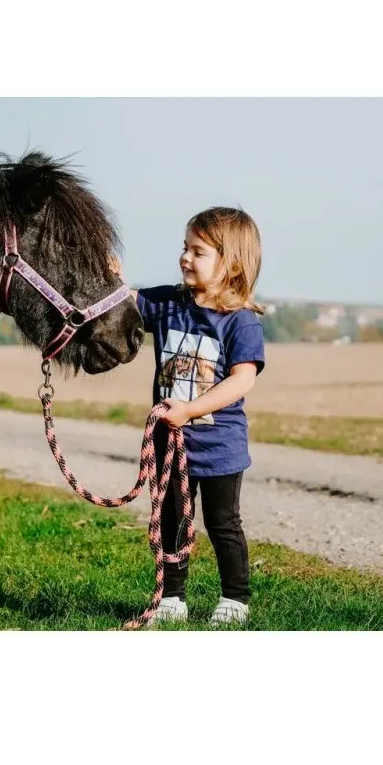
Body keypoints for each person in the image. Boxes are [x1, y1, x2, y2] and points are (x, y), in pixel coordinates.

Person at [113, 207, 265, 626]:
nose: (185, 258)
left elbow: (242, 381)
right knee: (171, 520)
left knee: (223, 524)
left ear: (230, 263)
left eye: (198, 251)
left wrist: (191, 410)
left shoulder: (240, 322)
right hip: (170, 444)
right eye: (185, 248)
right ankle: (171, 598)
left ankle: (235, 598)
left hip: (219, 448)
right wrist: (111, 278)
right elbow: (124, 304)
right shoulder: (167, 304)